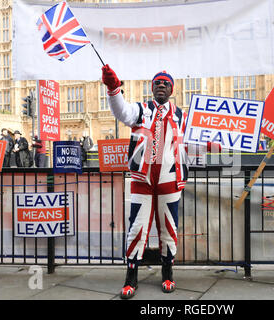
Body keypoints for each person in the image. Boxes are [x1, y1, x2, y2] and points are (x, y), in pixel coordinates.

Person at [102, 65, 189, 299]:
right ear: (152, 87)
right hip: (142, 179)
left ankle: (168, 273)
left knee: (169, 229)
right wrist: (113, 88)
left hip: (170, 180)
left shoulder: (182, 115)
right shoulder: (141, 110)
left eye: (165, 83)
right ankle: (131, 277)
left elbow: (203, 137)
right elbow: (121, 112)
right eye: (157, 82)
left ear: (172, 88)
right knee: (137, 229)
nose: (161, 85)